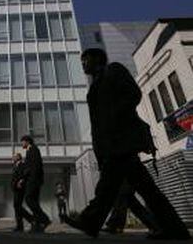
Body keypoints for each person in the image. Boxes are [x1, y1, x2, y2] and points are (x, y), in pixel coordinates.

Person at [61, 48, 191, 240]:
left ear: (97, 59)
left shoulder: (113, 70)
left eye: (85, 60)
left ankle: (91, 220)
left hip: (120, 141)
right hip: (112, 145)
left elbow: (133, 94)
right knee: (143, 189)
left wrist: (116, 118)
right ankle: (175, 228)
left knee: (108, 186)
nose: (83, 64)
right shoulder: (96, 84)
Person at [18, 135, 51, 233]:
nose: (22, 144)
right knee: (34, 201)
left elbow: (34, 166)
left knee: (28, 199)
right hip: (34, 179)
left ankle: (44, 219)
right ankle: (38, 225)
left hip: (34, 180)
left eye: (22, 141)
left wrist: (24, 179)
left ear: (27, 141)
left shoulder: (33, 149)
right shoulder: (30, 150)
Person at [11, 153, 33, 232]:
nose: (12, 158)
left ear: (18, 157)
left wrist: (22, 181)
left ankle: (31, 219)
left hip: (20, 188)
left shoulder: (23, 164)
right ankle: (19, 226)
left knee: (17, 206)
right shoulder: (14, 166)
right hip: (15, 188)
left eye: (14, 156)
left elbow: (27, 173)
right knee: (16, 207)